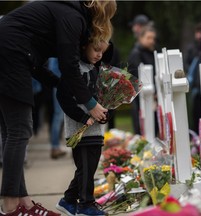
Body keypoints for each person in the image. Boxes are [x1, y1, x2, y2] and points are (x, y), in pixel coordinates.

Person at [0, 1, 116, 215]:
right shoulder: (72, 18)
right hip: (10, 53)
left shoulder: (63, 12)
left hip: (11, 50)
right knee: (19, 131)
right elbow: (68, 64)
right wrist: (91, 104)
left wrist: (56, 83)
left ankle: (23, 203)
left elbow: (36, 60)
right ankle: (9, 206)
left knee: (11, 132)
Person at [56, 38, 112, 216]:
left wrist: (103, 114)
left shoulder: (95, 69)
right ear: (83, 47)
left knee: (88, 168)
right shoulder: (74, 70)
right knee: (86, 168)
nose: (99, 54)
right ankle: (86, 204)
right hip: (79, 130)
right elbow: (63, 99)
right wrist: (82, 116)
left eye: (102, 51)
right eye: (96, 49)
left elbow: (98, 98)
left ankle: (69, 200)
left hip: (94, 130)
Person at [128, 26, 157, 135]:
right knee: (143, 125)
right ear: (140, 38)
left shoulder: (150, 52)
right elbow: (137, 76)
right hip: (141, 96)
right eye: (148, 38)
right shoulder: (136, 54)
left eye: (153, 38)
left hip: (151, 95)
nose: (151, 41)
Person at [184, 24, 201, 133]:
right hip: (195, 87)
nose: (199, 35)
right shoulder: (192, 48)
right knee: (194, 114)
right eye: (197, 32)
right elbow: (186, 64)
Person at [48, 58, 67, 159]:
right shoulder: (60, 44)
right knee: (58, 115)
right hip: (60, 83)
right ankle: (55, 147)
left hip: (59, 82)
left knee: (58, 115)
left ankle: (55, 146)